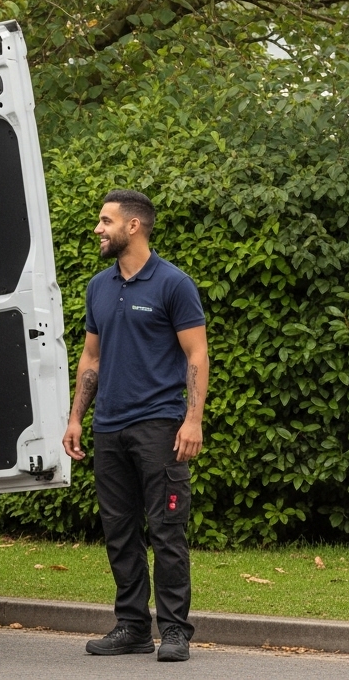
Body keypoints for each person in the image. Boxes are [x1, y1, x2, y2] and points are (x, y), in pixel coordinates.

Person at [61, 189, 209, 662]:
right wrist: (76, 417)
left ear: (134, 226)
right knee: (119, 530)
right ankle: (132, 627)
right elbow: (91, 357)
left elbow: (197, 354)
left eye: (106, 221)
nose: (98, 229)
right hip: (109, 428)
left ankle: (174, 631)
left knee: (167, 530)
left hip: (159, 427)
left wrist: (192, 420)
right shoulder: (99, 286)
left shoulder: (173, 284)